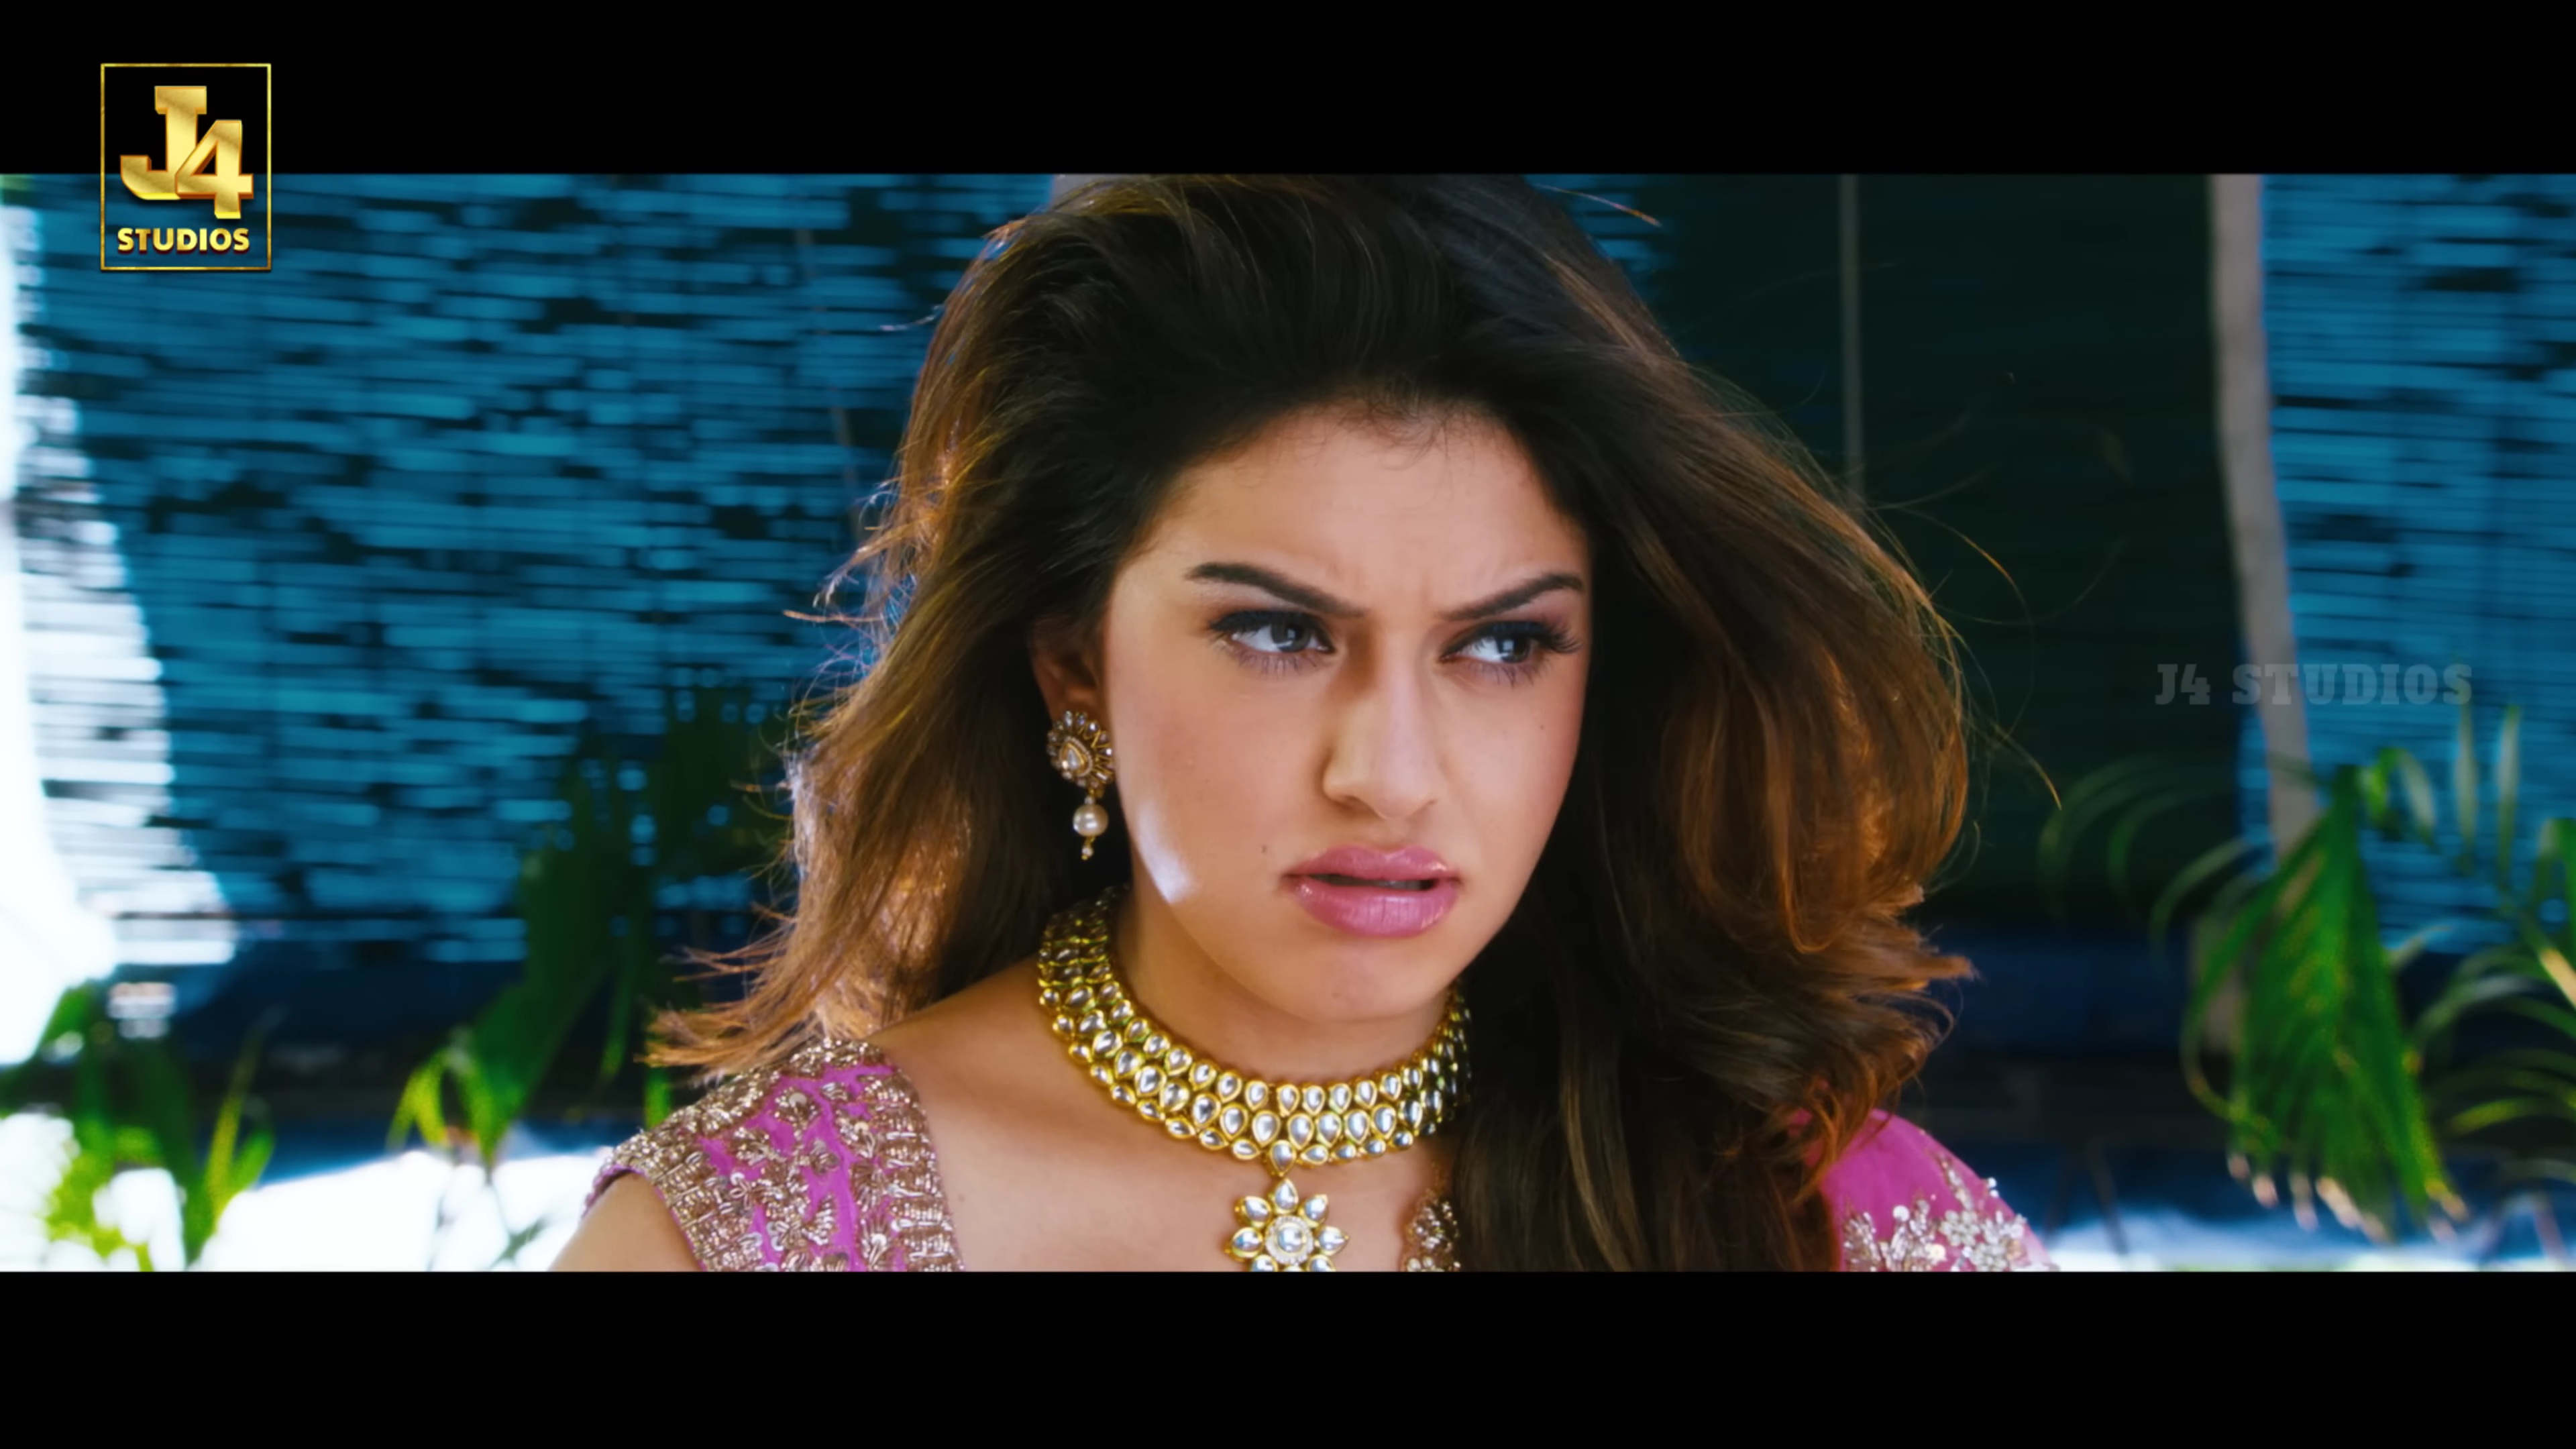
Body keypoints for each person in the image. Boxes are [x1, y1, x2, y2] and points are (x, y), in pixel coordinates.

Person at [554, 175, 2051, 1271]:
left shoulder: (1829, 1218)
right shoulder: (756, 1236)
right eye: (1279, 633)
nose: (1391, 775)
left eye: (1504, 645)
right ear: (1074, 664)